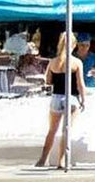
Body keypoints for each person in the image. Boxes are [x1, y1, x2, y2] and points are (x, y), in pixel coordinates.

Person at [34, 33, 87, 169]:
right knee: (66, 130)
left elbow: (48, 81)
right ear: (74, 45)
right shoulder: (76, 62)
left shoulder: (53, 62)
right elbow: (80, 83)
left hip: (56, 97)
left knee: (52, 130)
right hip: (72, 97)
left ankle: (42, 159)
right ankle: (62, 160)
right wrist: (84, 99)